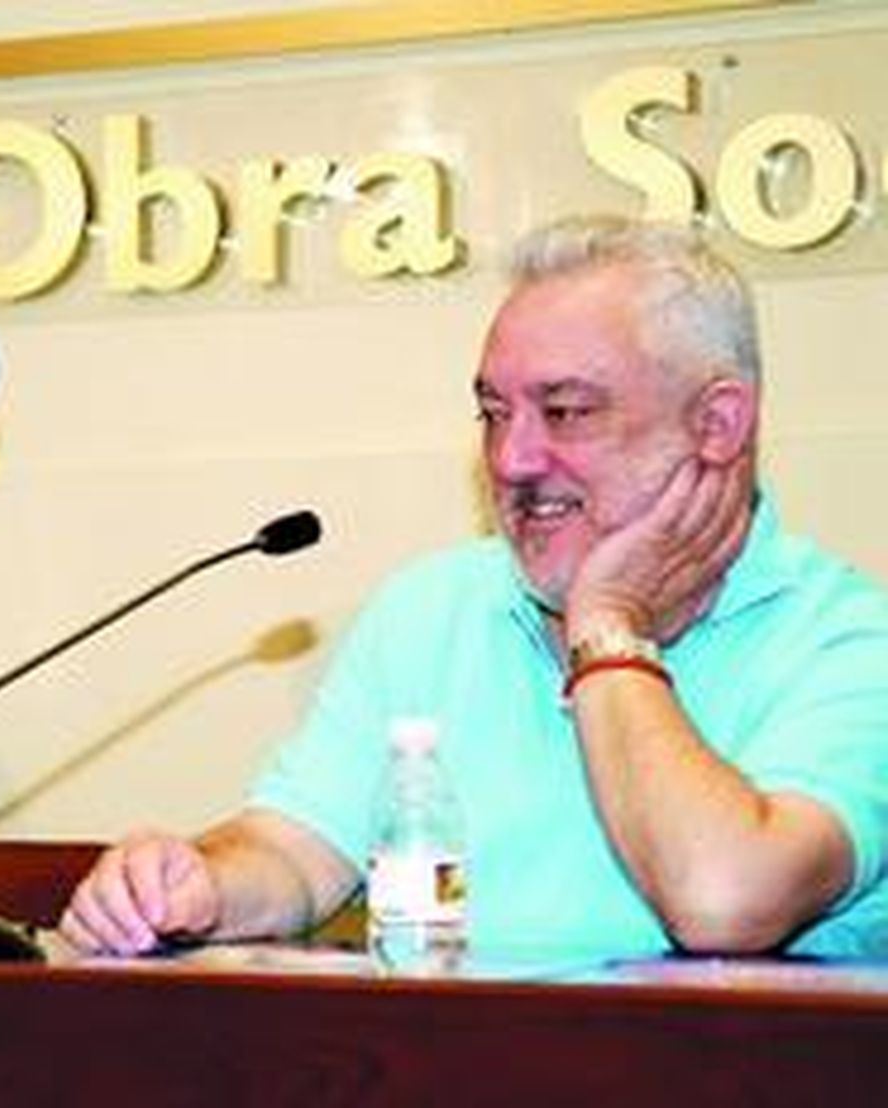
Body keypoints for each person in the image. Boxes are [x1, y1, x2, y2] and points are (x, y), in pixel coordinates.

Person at [61, 215, 888, 959]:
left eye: (565, 412)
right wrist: (193, 882)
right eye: (494, 412)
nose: (512, 460)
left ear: (716, 425)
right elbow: (295, 853)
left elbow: (724, 901)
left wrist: (607, 627)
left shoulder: (851, 641)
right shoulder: (432, 607)